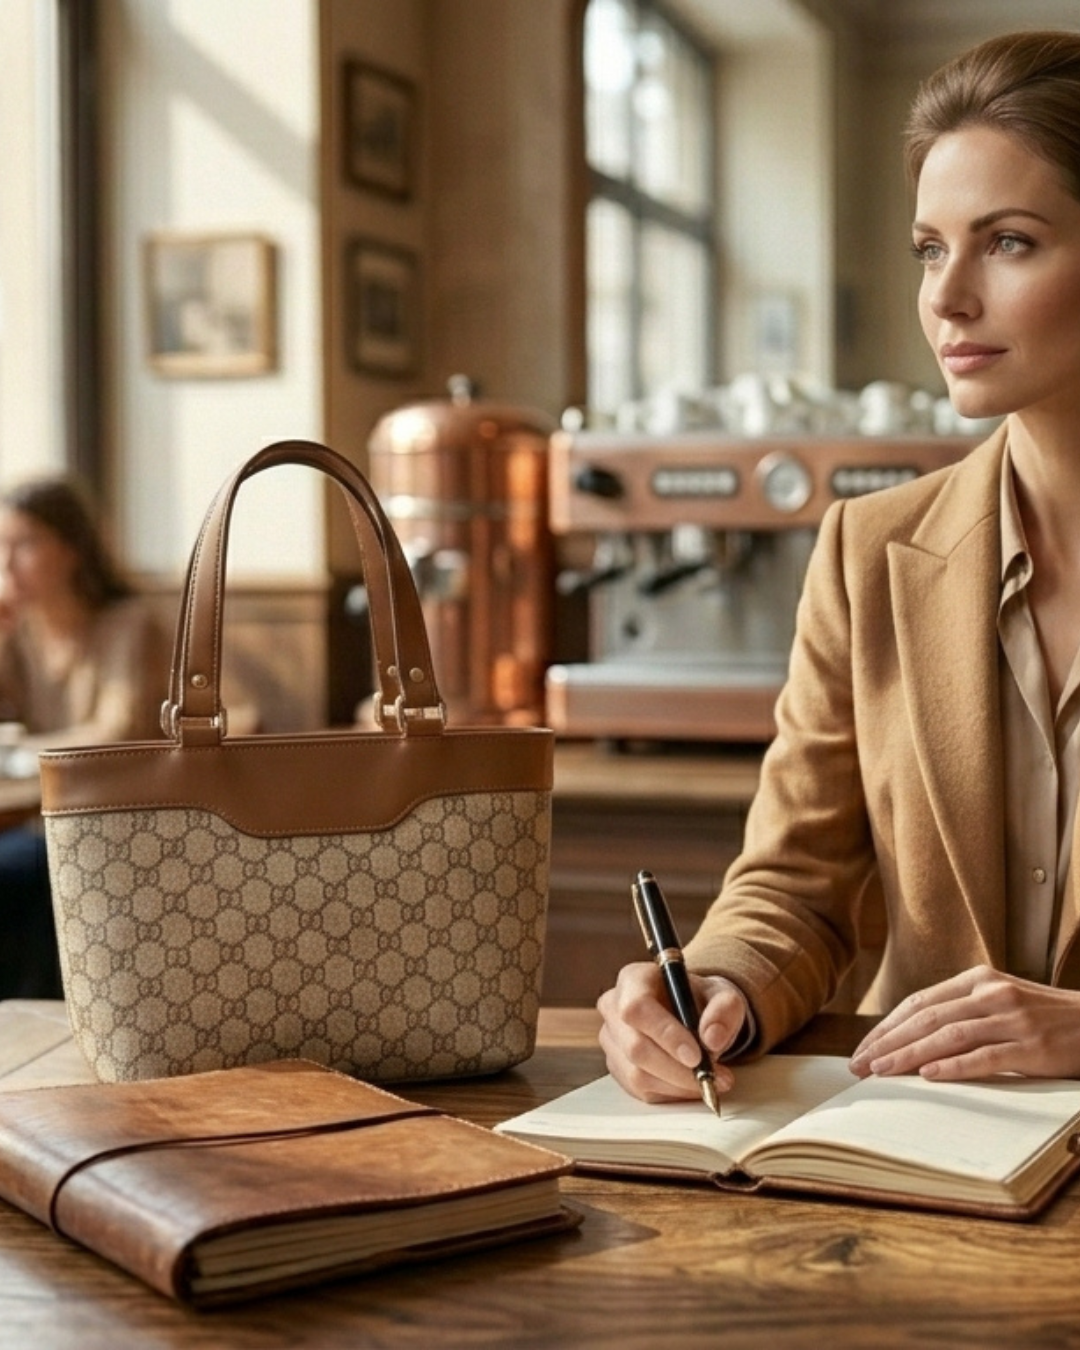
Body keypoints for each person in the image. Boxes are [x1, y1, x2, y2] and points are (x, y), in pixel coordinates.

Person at [598, 29, 1080, 1101]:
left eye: (1007, 242)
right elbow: (796, 885)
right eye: (928, 247)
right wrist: (719, 987)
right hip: (922, 1162)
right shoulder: (869, 555)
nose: (947, 297)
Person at [0, 476, 168, 997]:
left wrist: (21, 748)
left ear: (71, 549)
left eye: (23, 543)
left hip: (118, 828)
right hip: (39, 820)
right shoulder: (19, 633)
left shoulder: (129, 625)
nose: (8, 563)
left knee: (19, 870)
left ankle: (31, 1019)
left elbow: (113, 735)